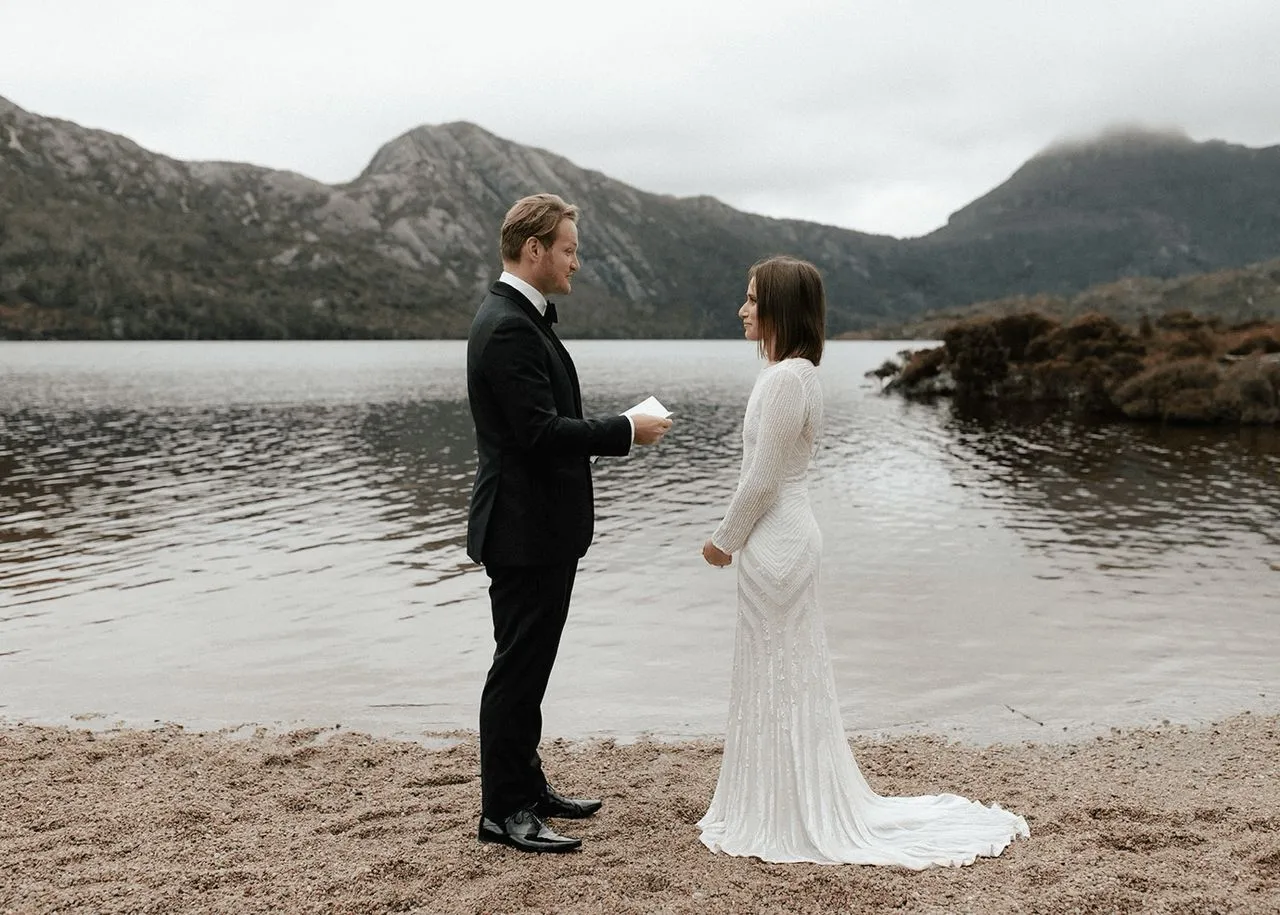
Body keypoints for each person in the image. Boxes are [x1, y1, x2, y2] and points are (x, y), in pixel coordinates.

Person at [698, 255, 1029, 867]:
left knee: (782, 671)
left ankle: (788, 808)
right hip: (785, 535)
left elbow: (763, 480)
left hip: (776, 539)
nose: (742, 309)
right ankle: (780, 794)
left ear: (781, 309)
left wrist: (723, 541)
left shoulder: (786, 380)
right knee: (783, 671)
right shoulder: (790, 374)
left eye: (751, 298)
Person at [466, 193, 673, 854]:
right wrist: (626, 431)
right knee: (517, 671)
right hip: (522, 531)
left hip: (541, 529)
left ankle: (527, 785)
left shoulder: (522, 320)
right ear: (534, 250)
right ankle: (503, 811)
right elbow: (537, 433)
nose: (575, 262)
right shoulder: (506, 326)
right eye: (568, 248)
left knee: (530, 666)